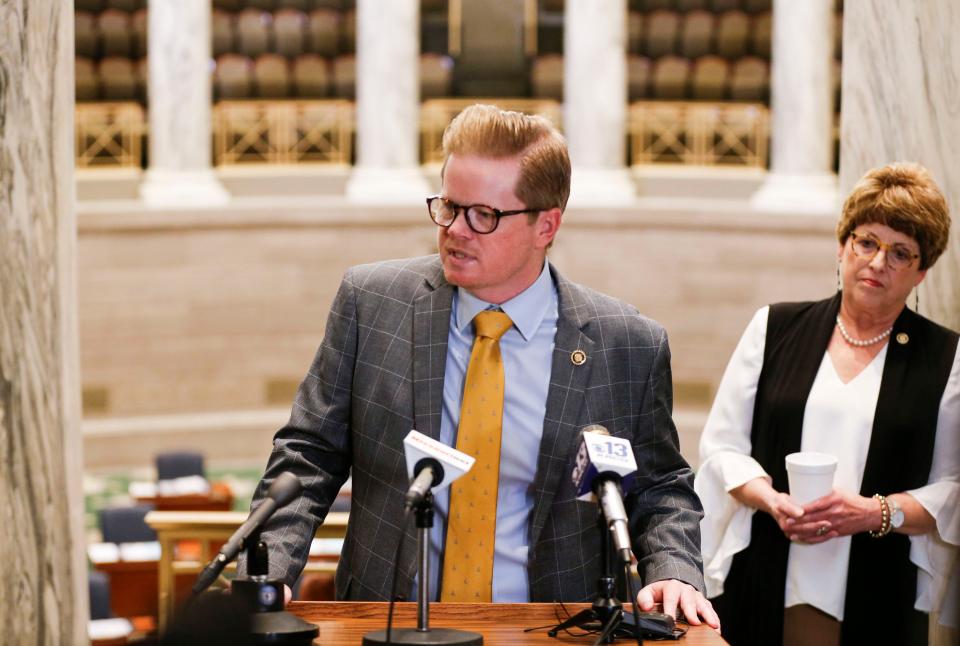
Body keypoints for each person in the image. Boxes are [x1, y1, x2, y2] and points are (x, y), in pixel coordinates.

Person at [242, 104, 719, 628]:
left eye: (483, 215)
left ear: (546, 225)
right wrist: (268, 566)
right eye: (448, 205)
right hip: (391, 623)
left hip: (552, 629)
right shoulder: (371, 304)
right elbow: (308, 454)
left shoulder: (626, 343)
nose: (455, 230)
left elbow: (660, 486)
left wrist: (675, 569)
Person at [695, 162, 959, 645]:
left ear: (922, 272)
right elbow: (722, 449)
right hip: (765, 572)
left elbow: (953, 487)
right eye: (867, 242)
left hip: (879, 588)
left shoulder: (946, 358)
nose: (878, 262)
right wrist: (770, 500)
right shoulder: (774, 328)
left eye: (901, 253)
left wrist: (875, 512)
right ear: (842, 245)